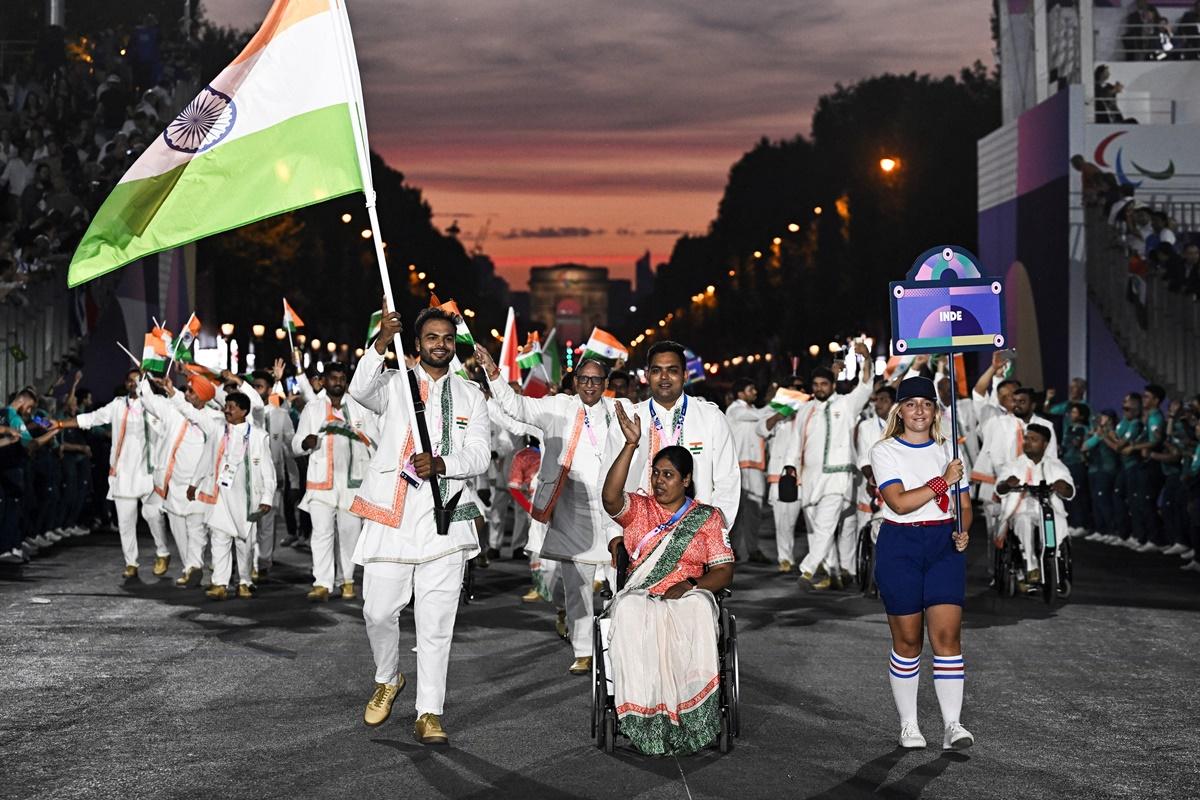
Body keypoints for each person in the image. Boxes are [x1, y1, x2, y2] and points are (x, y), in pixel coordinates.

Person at [348, 303, 490, 745]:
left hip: (445, 522)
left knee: (436, 623)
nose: (441, 345)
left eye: (447, 338)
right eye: (432, 338)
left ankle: (429, 712)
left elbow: (481, 455)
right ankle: (388, 677)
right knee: (377, 609)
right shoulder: (393, 384)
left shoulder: (471, 395)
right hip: (392, 517)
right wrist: (380, 343)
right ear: (418, 343)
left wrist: (444, 463)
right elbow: (358, 390)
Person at [601, 404, 734, 756]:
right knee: (629, 609)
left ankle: (691, 715)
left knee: (696, 611)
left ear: (686, 480)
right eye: (656, 474)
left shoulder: (707, 517)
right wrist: (631, 446)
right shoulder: (640, 510)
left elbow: (723, 571)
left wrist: (691, 586)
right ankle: (644, 714)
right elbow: (610, 498)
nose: (659, 481)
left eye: (669, 475)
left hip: (689, 592)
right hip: (643, 591)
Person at [477, 346, 617, 674]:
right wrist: (494, 375)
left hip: (613, 511)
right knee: (577, 586)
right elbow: (517, 405)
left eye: (597, 380)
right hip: (570, 510)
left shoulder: (619, 409)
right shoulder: (557, 407)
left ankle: (613, 646)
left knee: (617, 584)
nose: (590, 385)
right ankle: (583, 651)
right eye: (584, 379)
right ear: (575, 381)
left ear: (606, 383)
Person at [867, 376, 973, 751]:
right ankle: (909, 725)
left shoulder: (951, 450)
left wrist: (964, 531)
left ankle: (952, 725)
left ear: (936, 411)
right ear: (899, 410)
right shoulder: (884, 451)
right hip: (901, 545)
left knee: (947, 638)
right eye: (911, 404)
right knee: (909, 641)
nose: (919, 411)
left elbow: (964, 505)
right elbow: (898, 502)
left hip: (943, 545)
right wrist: (944, 481)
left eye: (926, 404)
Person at [603, 340, 740, 543]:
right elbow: (607, 479)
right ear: (648, 375)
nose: (664, 377)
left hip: (695, 536)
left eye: (672, 370)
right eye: (657, 370)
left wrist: (714, 533)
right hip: (638, 537)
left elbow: (727, 479)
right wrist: (613, 533)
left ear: (685, 375)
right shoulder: (629, 419)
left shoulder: (710, 417)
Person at [58, 369, 173, 579]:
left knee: (154, 515)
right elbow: (93, 418)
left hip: (149, 472)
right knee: (125, 522)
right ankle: (131, 563)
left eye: (138, 381)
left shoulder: (157, 405)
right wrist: (60, 424)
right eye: (130, 381)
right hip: (122, 473)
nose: (133, 384)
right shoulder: (118, 405)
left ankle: (163, 552)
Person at [787, 341, 874, 589]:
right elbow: (796, 442)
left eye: (824, 384)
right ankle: (835, 572)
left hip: (838, 477)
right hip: (810, 478)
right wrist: (790, 468)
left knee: (825, 526)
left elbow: (866, 386)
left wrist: (866, 360)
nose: (820, 388)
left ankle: (806, 571)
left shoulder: (846, 404)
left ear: (833, 385)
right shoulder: (805, 410)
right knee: (816, 529)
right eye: (816, 385)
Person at [293, 361, 377, 601]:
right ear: (324, 381)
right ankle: (322, 583)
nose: (337, 382)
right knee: (321, 535)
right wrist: (305, 443)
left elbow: (377, 442)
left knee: (350, 534)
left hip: (353, 484)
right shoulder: (313, 408)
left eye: (342, 378)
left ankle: (347, 580)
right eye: (333, 378)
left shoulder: (361, 408)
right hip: (321, 483)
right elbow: (296, 444)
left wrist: (362, 438)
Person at [188, 392, 275, 600]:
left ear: (244, 411)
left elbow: (268, 471)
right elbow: (206, 459)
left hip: (246, 499)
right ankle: (220, 583)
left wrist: (266, 498)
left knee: (244, 542)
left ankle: (244, 581)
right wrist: (194, 483)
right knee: (219, 539)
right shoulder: (218, 432)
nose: (227, 410)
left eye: (232, 407)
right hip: (220, 497)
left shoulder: (257, 436)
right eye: (226, 406)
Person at [139, 374, 219, 587]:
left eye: (191, 391)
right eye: (188, 390)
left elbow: (194, 414)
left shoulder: (214, 418)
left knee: (196, 529)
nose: (187, 394)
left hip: (198, 484)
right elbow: (149, 401)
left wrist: (174, 393)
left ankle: (198, 565)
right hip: (172, 483)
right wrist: (143, 379)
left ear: (202, 397)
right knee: (179, 529)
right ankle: (190, 569)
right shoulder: (173, 410)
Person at [996, 424, 1075, 586]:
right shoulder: (1013, 464)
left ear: (1045, 444)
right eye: (1026, 438)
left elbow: (1069, 491)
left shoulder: (1055, 465)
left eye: (1034, 439)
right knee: (1023, 521)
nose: (1028, 442)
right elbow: (1000, 489)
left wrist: (1064, 487)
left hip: (1049, 508)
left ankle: (1052, 561)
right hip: (1023, 508)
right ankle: (1032, 567)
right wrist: (1007, 484)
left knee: (1056, 524)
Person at [248, 363, 298, 580]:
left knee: (267, 523)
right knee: (248, 522)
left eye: (260, 387)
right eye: (253, 387)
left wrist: (294, 481)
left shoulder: (281, 415)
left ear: (269, 390)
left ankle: (264, 561)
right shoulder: (245, 415)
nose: (256, 391)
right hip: (248, 479)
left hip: (273, 479)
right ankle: (248, 561)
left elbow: (290, 448)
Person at [724, 378, 783, 564]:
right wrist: (773, 401)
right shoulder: (735, 409)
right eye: (751, 389)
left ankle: (753, 548)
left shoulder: (752, 411)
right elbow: (761, 414)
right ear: (740, 393)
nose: (754, 392)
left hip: (755, 467)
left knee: (754, 512)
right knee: (736, 512)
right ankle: (731, 550)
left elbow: (763, 418)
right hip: (738, 467)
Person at [1084, 411, 1122, 544]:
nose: (1100, 419)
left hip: (1107, 470)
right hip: (1094, 469)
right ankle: (1101, 530)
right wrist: (1097, 436)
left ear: (1110, 419)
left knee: (1104, 500)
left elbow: (1117, 446)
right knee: (1096, 500)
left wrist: (1102, 436)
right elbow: (1084, 447)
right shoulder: (1097, 433)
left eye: (1104, 417)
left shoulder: (1112, 432)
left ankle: (1113, 531)